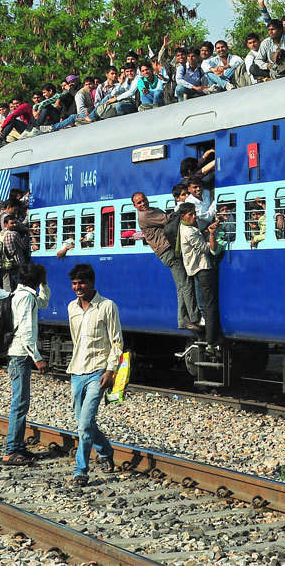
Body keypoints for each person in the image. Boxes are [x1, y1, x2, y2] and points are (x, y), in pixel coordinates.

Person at [65, 263, 122, 485]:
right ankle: (106, 452)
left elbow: (116, 341)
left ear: (92, 283)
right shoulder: (72, 308)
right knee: (83, 422)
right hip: (77, 370)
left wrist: (111, 370)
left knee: (85, 422)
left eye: (82, 283)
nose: (78, 287)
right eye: (74, 283)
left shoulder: (107, 306)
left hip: (98, 371)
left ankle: (81, 470)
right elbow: (75, 339)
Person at [132, 191, 198, 332]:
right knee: (186, 284)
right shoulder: (145, 215)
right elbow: (167, 219)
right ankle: (194, 318)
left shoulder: (151, 210)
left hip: (167, 251)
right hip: (167, 251)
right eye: (139, 203)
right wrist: (182, 208)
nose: (143, 204)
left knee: (181, 286)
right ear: (135, 206)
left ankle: (184, 320)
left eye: (144, 200)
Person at [4, 260, 48, 465]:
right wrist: (37, 358)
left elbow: (44, 302)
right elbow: (26, 331)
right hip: (20, 355)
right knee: (19, 404)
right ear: (35, 279)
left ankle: (18, 446)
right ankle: (11, 449)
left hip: (18, 354)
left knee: (21, 403)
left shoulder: (20, 295)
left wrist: (44, 286)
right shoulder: (26, 298)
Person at [178, 204, 224, 349]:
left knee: (204, 304)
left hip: (195, 270)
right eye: (190, 214)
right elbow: (208, 249)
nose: (194, 217)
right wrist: (211, 234)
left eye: (194, 213)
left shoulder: (184, 228)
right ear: (183, 216)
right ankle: (212, 339)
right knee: (209, 305)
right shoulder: (189, 232)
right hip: (203, 268)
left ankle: (209, 337)